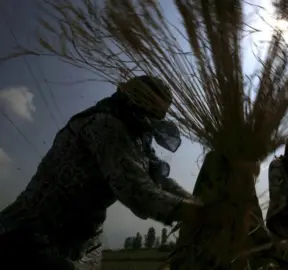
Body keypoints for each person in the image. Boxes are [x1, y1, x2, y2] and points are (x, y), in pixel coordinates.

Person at [0, 75, 204, 269]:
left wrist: (196, 203)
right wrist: (203, 213)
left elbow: (159, 181)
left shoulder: (138, 139)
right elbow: (138, 192)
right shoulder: (105, 125)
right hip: (29, 235)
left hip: (74, 242)